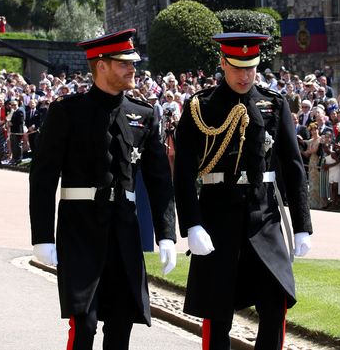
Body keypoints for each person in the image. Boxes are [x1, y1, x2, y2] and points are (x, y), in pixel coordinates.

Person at [29, 29, 176, 350]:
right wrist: (41, 236)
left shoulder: (144, 114)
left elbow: (160, 180)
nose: (132, 69)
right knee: (85, 323)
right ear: (101, 65)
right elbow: (42, 178)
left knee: (122, 323)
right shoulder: (67, 112)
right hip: (79, 228)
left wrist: (167, 234)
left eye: (132, 62)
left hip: (123, 229)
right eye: (124, 63)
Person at [174, 33, 312, 350]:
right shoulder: (200, 106)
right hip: (218, 217)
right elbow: (183, 172)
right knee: (218, 311)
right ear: (223, 63)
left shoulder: (274, 104)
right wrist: (192, 224)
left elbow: (293, 166)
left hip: (264, 216)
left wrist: (303, 225)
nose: (245, 75)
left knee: (275, 302)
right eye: (237, 67)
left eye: (250, 67)